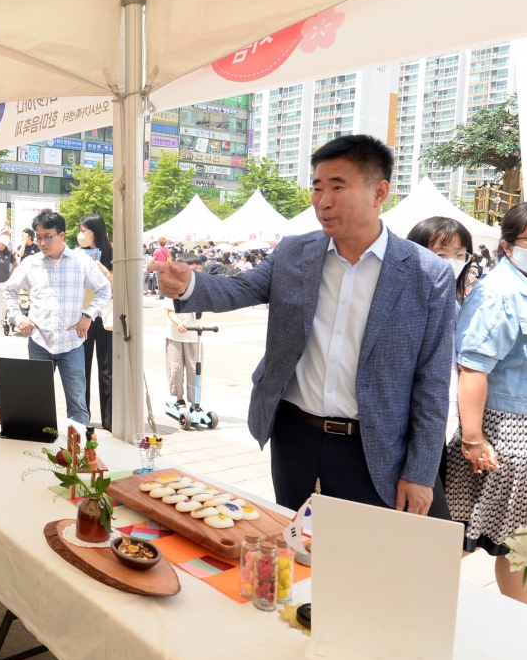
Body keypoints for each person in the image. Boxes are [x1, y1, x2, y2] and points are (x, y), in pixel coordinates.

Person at [152, 135, 455, 518]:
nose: (322, 201)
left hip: (374, 447)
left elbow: (433, 383)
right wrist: (190, 284)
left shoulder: (427, 275)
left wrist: (420, 472)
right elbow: (242, 288)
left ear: (380, 192)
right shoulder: (296, 252)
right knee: (295, 550)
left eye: (337, 187)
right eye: (316, 187)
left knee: (360, 562)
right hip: (295, 435)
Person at [446, 201, 527, 607]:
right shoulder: (498, 293)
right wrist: (474, 439)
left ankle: (521, 631)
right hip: (509, 437)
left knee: (519, 548)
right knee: (476, 540)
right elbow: (472, 369)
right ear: (508, 246)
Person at [3, 209, 110, 426]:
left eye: (47, 237)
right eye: (39, 237)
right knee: (37, 401)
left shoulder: (81, 262)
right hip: (39, 342)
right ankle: (41, 446)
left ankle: (79, 450)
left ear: (61, 235)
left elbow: (104, 289)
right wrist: (19, 319)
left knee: (78, 404)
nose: (42, 242)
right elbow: (8, 290)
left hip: (72, 345)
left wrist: (88, 315)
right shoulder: (31, 263)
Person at [405, 217, 480, 420]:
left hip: (448, 410)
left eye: (459, 255)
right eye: (440, 254)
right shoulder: (404, 303)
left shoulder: (455, 302)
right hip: (415, 411)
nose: (451, 262)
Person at [78, 214, 114, 432]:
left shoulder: (112, 251)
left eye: (85, 230)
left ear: (96, 231)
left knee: (106, 368)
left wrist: (102, 268)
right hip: (83, 316)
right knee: (81, 367)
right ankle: (82, 417)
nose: (82, 234)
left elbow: (117, 286)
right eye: (80, 230)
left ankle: (109, 419)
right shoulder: (76, 254)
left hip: (106, 316)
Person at [165, 254, 204, 411]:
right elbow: (170, 312)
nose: (198, 272)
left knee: (195, 370)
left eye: (200, 269)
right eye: (195, 269)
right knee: (175, 368)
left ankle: (195, 402)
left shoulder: (202, 289)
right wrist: (178, 322)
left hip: (195, 336)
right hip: (175, 334)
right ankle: (179, 399)